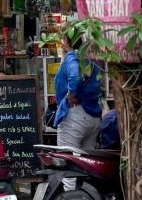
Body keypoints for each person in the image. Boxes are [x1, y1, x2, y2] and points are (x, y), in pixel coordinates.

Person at [53, 32, 102, 191]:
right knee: (86, 168)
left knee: (68, 169)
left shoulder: (73, 57)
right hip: (92, 117)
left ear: (67, 40)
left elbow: (74, 76)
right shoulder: (91, 58)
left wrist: (70, 94)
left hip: (74, 118)